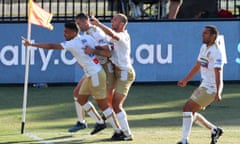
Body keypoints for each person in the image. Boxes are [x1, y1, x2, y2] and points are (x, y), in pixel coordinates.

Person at [22, 22, 122, 137]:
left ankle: (118, 131)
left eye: (66, 32)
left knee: (103, 105)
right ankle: (100, 122)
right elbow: (100, 47)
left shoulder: (73, 43)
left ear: (74, 32)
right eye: (64, 31)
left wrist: (32, 45)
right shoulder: (87, 38)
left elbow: (52, 46)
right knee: (80, 98)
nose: (64, 34)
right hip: (91, 74)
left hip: (96, 75)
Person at [90, 13, 135, 141]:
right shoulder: (113, 35)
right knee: (107, 100)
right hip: (115, 72)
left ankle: (126, 133)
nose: (112, 21)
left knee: (116, 104)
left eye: (114, 20)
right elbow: (104, 43)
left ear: (122, 24)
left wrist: (98, 24)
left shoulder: (122, 36)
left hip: (125, 73)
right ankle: (117, 129)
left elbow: (112, 35)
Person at [177, 25, 225, 144]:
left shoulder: (216, 52)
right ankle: (215, 130)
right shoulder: (204, 47)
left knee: (187, 108)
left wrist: (218, 92)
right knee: (190, 111)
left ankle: (184, 140)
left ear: (213, 36)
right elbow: (198, 65)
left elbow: (218, 73)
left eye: (206, 33)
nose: (203, 35)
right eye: (203, 33)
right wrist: (186, 79)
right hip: (204, 85)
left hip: (211, 88)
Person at [68, 12, 115, 133]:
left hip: (101, 68)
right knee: (77, 94)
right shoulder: (86, 33)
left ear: (85, 22)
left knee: (106, 102)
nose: (77, 26)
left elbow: (108, 53)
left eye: (78, 23)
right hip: (93, 68)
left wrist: (92, 52)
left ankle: (119, 129)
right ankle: (83, 122)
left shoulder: (96, 32)